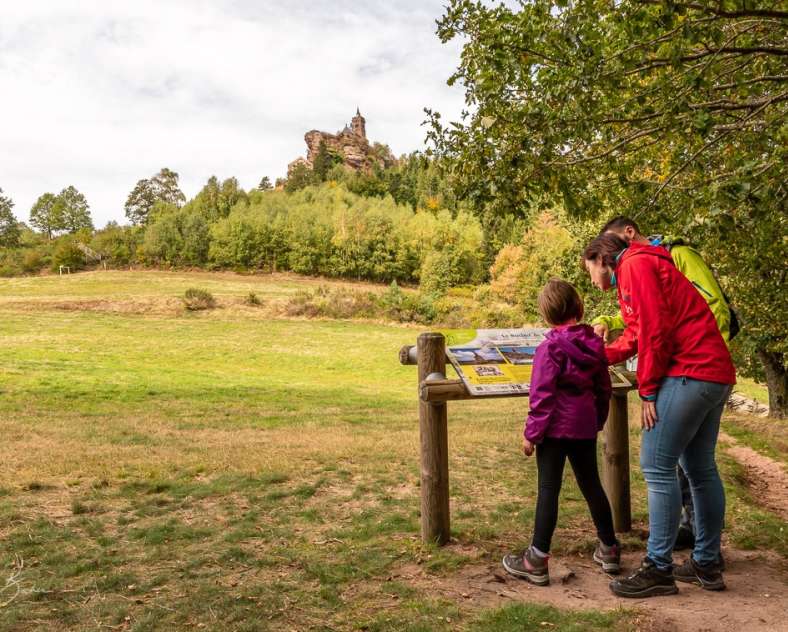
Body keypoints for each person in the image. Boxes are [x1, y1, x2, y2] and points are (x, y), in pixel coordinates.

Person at [582, 233, 735, 598]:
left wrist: (648, 391)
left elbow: (655, 333)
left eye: (588, 270)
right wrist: (599, 356)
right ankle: (706, 563)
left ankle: (658, 568)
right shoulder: (642, 265)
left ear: (601, 259)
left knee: (656, 465)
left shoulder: (634, 266)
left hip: (691, 371)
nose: (591, 279)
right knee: (700, 468)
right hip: (715, 372)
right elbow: (637, 333)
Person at [502, 279, 620, 586]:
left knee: (548, 489)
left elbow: (542, 396)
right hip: (583, 427)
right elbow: (603, 389)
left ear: (546, 314)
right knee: (592, 485)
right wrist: (596, 421)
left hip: (554, 430)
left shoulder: (549, 348)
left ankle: (536, 559)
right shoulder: (594, 345)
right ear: (579, 307)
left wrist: (531, 434)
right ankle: (609, 549)